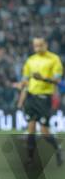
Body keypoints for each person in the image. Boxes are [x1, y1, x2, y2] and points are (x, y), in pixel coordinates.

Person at [16, 37, 63, 166]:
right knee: (30, 128)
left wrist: (43, 78)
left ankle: (58, 150)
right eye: (35, 45)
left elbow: (58, 80)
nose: (38, 48)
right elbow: (25, 80)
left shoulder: (54, 59)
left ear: (46, 45)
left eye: (40, 45)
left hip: (44, 97)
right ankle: (30, 159)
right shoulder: (30, 60)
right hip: (31, 97)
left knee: (44, 131)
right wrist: (21, 86)